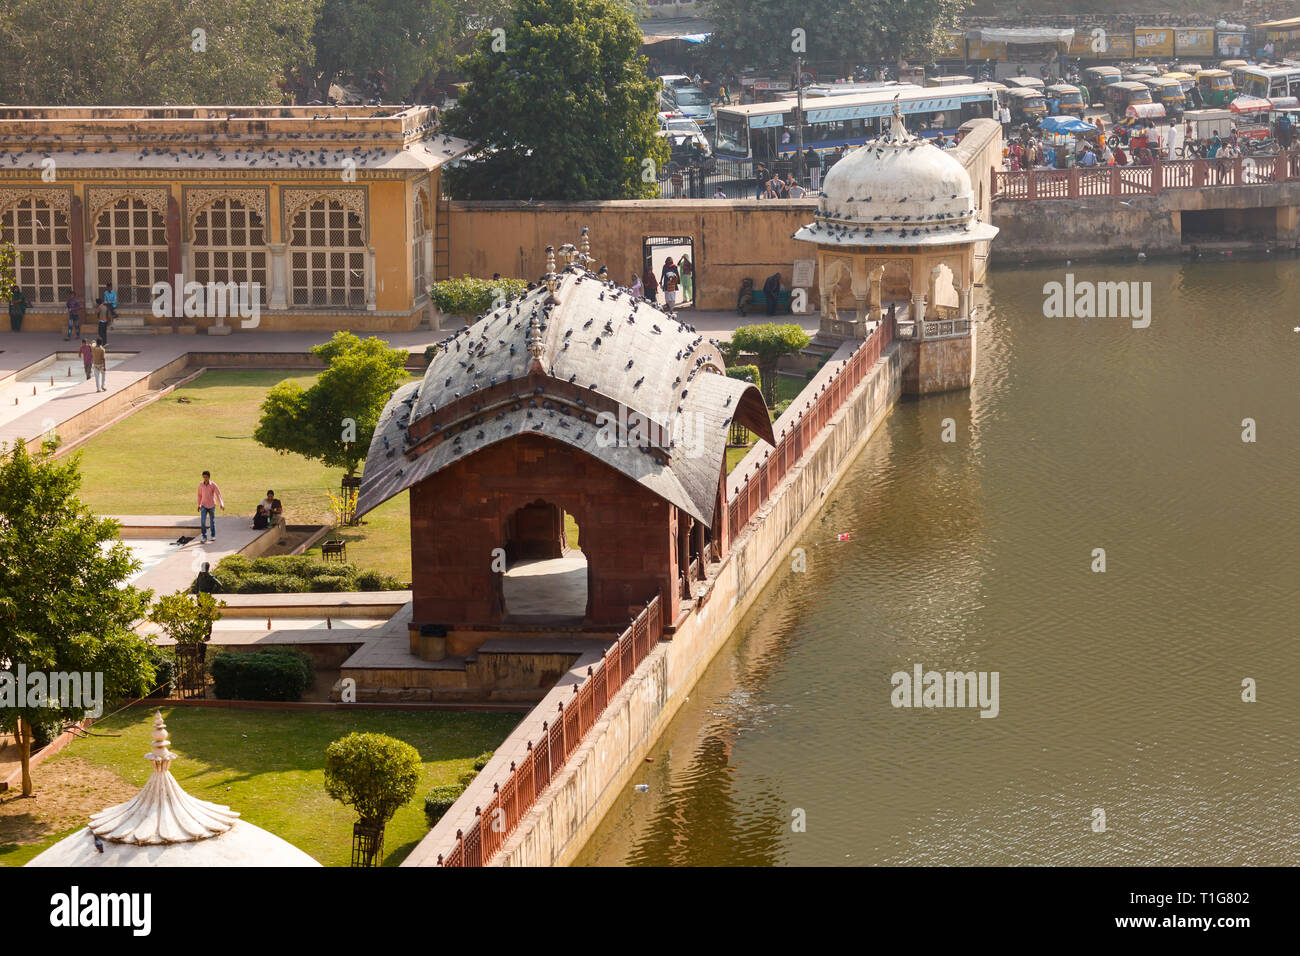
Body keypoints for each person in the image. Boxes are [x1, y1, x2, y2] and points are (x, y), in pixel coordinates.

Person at [196, 470, 225, 543]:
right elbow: (199, 495)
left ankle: (213, 535)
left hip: (212, 505)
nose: (205, 479)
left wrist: (221, 504)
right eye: (203, 477)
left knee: (212, 521)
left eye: (206, 477)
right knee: (203, 521)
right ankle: (204, 537)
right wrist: (198, 505)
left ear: (209, 477)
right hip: (203, 505)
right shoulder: (201, 485)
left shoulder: (213, 485)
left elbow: (218, 494)